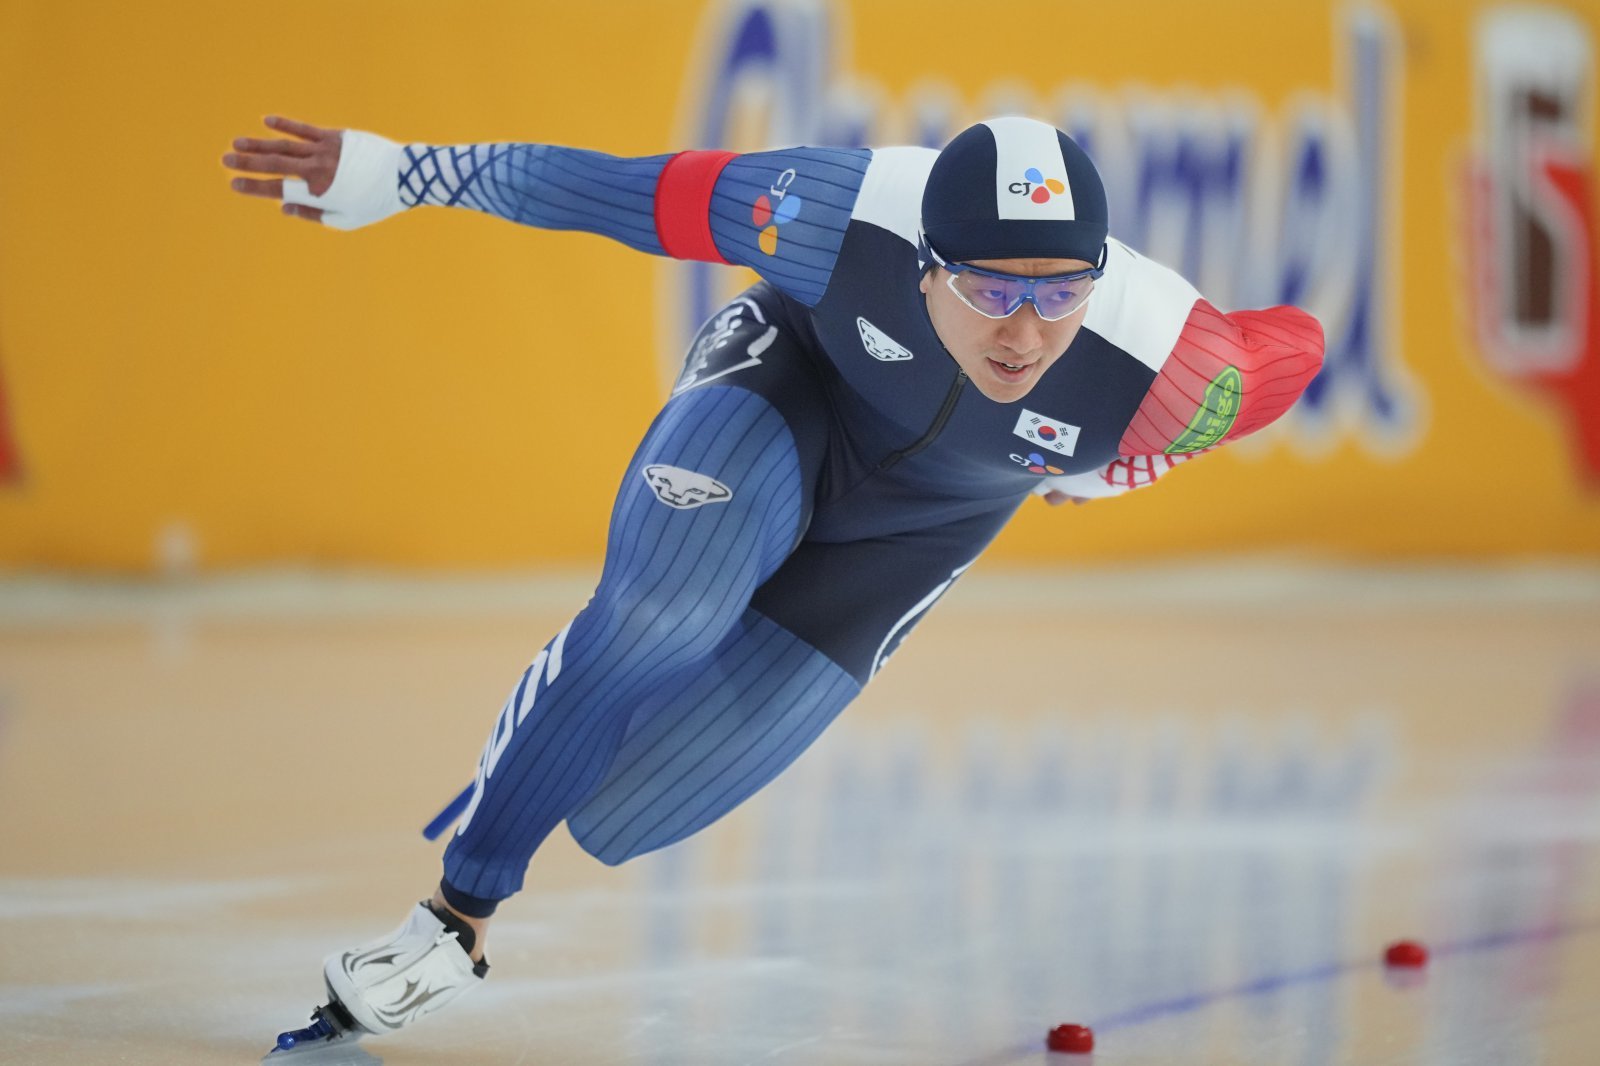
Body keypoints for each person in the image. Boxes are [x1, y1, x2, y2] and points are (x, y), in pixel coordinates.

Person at [224, 114, 1324, 1047]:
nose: (1026, 334)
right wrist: (400, 172)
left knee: (628, 811)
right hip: (788, 393)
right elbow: (614, 190)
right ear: (924, 263)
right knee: (662, 615)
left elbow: (1301, 346)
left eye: (1060, 294)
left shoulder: (1179, 367)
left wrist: (1136, 459)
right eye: (989, 290)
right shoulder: (838, 214)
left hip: (923, 529)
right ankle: (451, 921)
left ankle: (577, 731)